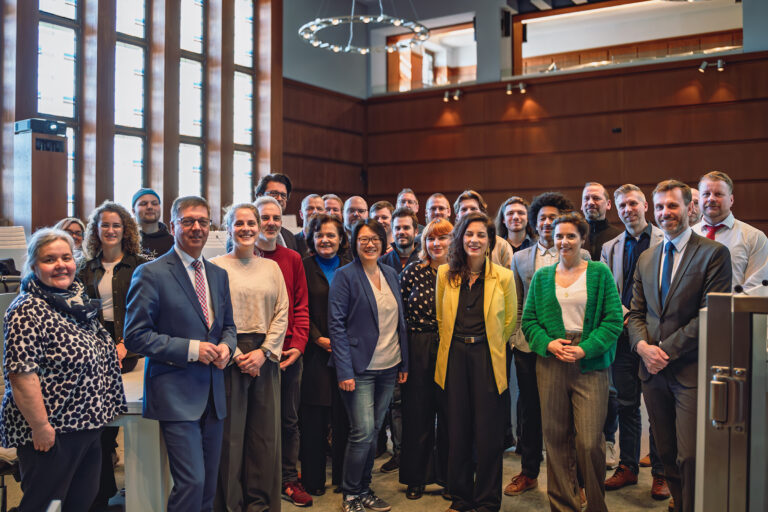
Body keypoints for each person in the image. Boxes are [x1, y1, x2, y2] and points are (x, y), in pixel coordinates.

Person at [124, 195, 237, 512]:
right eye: (188, 221)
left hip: (214, 393)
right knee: (191, 484)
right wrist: (191, 350)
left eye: (203, 221)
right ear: (173, 226)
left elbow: (229, 326)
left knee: (208, 487)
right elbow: (135, 336)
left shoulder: (218, 274)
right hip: (175, 393)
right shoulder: (151, 273)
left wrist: (227, 347)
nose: (197, 227)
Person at [1, 228, 126, 511]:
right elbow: (21, 376)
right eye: (49, 259)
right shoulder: (26, 309)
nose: (60, 265)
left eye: (66, 258)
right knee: (46, 505)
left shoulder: (75, 302)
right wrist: (40, 426)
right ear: (33, 266)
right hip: (52, 431)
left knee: (79, 502)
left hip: (86, 425)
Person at [627, 180, 732, 512]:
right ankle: (681, 504)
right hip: (652, 373)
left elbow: (710, 315)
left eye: (672, 205)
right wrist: (642, 347)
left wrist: (664, 351)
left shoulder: (714, 253)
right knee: (667, 454)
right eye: (659, 207)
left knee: (690, 456)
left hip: (690, 371)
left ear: (690, 207)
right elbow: (636, 312)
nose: (665, 212)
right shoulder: (647, 258)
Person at [522, 212, 623, 512]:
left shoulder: (600, 273)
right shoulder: (542, 277)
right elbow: (529, 321)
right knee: (555, 439)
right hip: (551, 361)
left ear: (582, 239)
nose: (564, 241)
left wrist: (585, 349)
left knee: (589, 441)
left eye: (570, 236)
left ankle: (595, 505)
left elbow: (613, 321)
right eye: (559, 236)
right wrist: (547, 343)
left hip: (589, 363)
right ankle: (563, 505)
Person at [507, 192, 589, 497]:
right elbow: (517, 303)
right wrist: (517, 338)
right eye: (542, 218)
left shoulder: (582, 255)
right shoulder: (520, 258)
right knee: (530, 412)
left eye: (553, 218)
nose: (546, 222)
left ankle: (577, 481)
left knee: (570, 416)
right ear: (535, 222)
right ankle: (529, 472)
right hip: (530, 347)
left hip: (568, 346)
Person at [435, 212, 517, 512]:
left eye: (481, 235)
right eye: (469, 234)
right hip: (455, 356)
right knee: (457, 431)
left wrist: (488, 344)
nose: (474, 240)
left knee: (488, 435)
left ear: (490, 241)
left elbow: (509, 321)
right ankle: (461, 497)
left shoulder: (504, 277)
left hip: (487, 358)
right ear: (460, 238)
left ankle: (487, 501)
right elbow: (441, 319)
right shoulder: (445, 274)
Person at [211, 203, 289, 512]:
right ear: (228, 228)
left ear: (258, 228)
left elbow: (282, 312)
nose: (246, 228)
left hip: (265, 357)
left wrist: (264, 352)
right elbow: (210, 314)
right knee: (230, 438)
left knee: (264, 437)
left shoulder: (271, 268)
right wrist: (236, 354)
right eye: (239, 223)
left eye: (251, 223)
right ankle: (230, 505)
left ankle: (261, 505)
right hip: (228, 356)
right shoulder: (214, 267)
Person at [328, 218, 409, 512]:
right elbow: (336, 326)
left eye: (375, 238)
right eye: (363, 239)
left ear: (383, 242)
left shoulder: (390, 273)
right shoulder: (345, 276)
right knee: (361, 432)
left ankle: (365, 489)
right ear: (354, 243)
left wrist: (404, 363)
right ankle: (351, 494)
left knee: (374, 432)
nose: (370, 244)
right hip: (359, 369)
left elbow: (400, 322)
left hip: (389, 365)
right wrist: (344, 371)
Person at [599, 185, 669, 499]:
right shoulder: (610, 247)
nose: (628, 209)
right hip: (623, 333)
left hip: (656, 335)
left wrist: (644, 320)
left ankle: (661, 473)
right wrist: (627, 317)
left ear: (645, 206)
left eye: (633, 203)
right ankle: (628, 467)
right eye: (622, 205)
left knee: (658, 407)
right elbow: (608, 290)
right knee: (626, 404)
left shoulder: (664, 239)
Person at [79, 200, 148, 510]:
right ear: (96, 229)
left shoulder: (140, 265)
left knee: (131, 421)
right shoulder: (85, 267)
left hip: (130, 347)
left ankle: (138, 493)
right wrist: (101, 348)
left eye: (116, 225)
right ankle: (102, 495)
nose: (110, 230)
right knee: (99, 425)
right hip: (94, 349)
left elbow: (147, 311)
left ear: (126, 230)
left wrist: (125, 344)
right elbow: (79, 315)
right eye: (104, 225)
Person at [253, 196, 312, 507]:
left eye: (276, 218)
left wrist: (298, 346)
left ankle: (288, 478)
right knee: (255, 422)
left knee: (288, 420)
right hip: (250, 355)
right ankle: (259, 480)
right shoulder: (240, 257)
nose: (271, 223)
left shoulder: (292, 258)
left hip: (287, 354)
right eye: (265, 217)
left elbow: (301, 306)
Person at [399, 218, 453, 500]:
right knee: (417, 413)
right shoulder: (412, 272)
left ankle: (449, 477)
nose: (436, 243)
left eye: (442, 238)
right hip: (417, 344)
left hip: (450, 347)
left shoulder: (459, 273)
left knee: (450, 415)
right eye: (431, 238)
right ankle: (415, 478)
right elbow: (400, 317)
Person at [299, 213, 352, 496]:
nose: (325, 240)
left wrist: (342, 341)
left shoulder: (351, 267)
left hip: (346, 355)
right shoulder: (303, 266)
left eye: (331, 235)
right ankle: (313, 481)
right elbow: (298, 307)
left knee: (344, 419)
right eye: (320, 235)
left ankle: (344, 479)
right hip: (313, 355)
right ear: (312, 238)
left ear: (341, 239)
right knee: (314, 421)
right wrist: (317, 337)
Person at [692, 171, 768, 293]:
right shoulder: (688, 236)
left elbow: (756, 288)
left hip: (735, 305)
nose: (711, 198)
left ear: (731, 199)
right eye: (706, 194)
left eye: (718, 194)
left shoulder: (755, 238)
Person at [453, 190, 513, 268]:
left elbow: (510, 274)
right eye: (464, 209)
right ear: (457, 216)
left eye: (473, 209)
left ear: (482, 213)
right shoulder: (449, 244)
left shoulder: (501, 245)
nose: (469, 213)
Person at [255, 173, 299, 251]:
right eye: (274, 194)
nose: (279, 198)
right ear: (260, 196)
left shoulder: (290, 237)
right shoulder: (245, 234)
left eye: (283, 195)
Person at [581, 182, 622, 262]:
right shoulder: (573, 236)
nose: (590, 202)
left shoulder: (619, 237)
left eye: (596, 198)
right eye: (586, 198)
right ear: (581, 205)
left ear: (608, 204)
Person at [131, 188, 174, 260]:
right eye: (143, 204)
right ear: (133, 211)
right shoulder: (125, 240)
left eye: (154, 203)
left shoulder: (172, 243)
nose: (150, 207)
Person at [380, 207, 420, 273]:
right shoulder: (382, 263)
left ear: (416, 231)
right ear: (392, 232)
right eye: (397, 228)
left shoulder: (425, 261)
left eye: (406, 228)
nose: (401, 232)